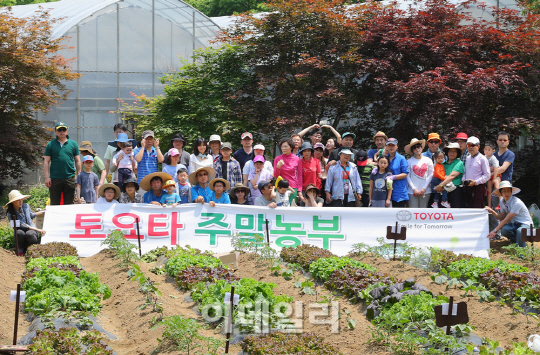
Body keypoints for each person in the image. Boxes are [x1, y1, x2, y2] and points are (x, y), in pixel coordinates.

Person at [44, 122, 81, 205]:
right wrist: (47, 177)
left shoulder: (73, 144)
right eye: (59, 130)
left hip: (70, 178)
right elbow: (46, 161)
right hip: (55, 178)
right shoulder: (50, 144)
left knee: (69, 204)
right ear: (55, 131)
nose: (62, 132)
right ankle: (55, 218)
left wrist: (79, 175)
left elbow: (77, 160)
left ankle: (68, 218)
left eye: (64, 129)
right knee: (54, 204)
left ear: (67, 130)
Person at [486, 181, 533, 247]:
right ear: (501, 193)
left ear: (511, 192)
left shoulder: (517, 202)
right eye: (504, 191)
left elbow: (506, 220)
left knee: (520, 231)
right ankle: (517, 242)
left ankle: (521, 253)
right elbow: (502, 217)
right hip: (514, 224)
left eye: (508, 191)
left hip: (525, 224)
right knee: (505, 230)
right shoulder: (502, 201)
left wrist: (494, 231)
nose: (506, 193)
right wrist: (492, 211)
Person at [5, 190, 46, 255]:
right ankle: (21, 247)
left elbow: (31, 215)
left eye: (21, 199)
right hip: (21, 230)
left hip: (32, 230)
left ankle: (36, 248)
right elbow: (21, 225)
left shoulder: (26, 206)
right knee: (18, 233)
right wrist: (38, 230)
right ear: (13, 202)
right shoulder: (10, 213)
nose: (20, 201)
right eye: (18, 200)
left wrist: (43, 212)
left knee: (30, 234)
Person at [433, 142, 465, 208]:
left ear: (457, 153)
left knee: (455, 213)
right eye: (450, 151)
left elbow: (452, 176)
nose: (452, 153)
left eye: (454, 151)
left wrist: (441, 185)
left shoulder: (459, 163)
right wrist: (439, 186)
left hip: (455, 190)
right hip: (443, 190)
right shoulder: (443, 163)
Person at [404, 138, 434, 208]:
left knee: (423, 211)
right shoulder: (409, 161)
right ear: (412, 150)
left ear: (421, 147)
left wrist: (424, 188)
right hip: (412, 191)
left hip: (426, 190)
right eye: (414, 148)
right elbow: (408, 176)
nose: (417, 149)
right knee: (413, 211)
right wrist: (414, 188)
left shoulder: (428, 160)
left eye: (418, 147)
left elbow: (431, 174)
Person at [463, 137, 491, 208]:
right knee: (468, 207)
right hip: (468, 186)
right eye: (469, 145)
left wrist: (476, 182)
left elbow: (487, 175)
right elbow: (465, 172)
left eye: (473, 145)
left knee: (477, 208)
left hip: (479, 187)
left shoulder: (482, 158)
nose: (470, 147)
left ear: (478, 146)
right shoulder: (468, 158)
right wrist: (463, 180)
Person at [274, 138, 303, 204]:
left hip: (293, 188)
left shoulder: (297, 159)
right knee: (280, 208)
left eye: (286, 146)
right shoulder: (277, 159)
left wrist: (299, 190)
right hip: (280, 188)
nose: (283, 148)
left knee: (291, 210)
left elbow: (300, 175)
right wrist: (278, 167)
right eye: (282, 147)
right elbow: (276, 175)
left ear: (291, 147)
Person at [384, 138, 409, 207]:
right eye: (389, 145)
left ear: (397, 146)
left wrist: (394, 177)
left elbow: (405, 173)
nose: (391, 147)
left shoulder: (401, 158)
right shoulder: (385, 158)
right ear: (386, 146)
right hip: (386, 191)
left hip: (399, 192)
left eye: (393, 145)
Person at [484, 141, 501, 208]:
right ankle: (489, 205)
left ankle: (500, 203)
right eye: (485, 149)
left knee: (497, 187)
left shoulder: (493, 158)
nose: (486, 151)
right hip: (489, 176)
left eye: (489, 150)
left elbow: (496, 168)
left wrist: (494, 178)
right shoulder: (484, 157)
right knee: (489, 191)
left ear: (493, 151)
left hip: (496, 174)